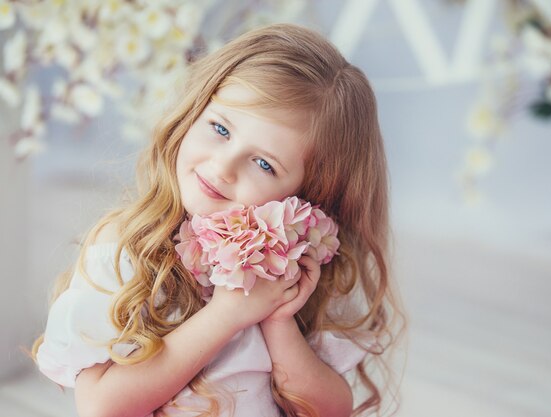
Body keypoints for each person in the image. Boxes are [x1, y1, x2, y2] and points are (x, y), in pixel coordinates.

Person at [32, 23, 403, 417]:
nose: (223, 166)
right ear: (194, 112)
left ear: (307, 201)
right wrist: (227, 315)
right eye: (220, 129)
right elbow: (102, 407)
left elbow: (330, 410)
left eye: (264, 164)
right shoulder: (126, 247)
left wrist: (279, 323)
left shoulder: (297, 277)